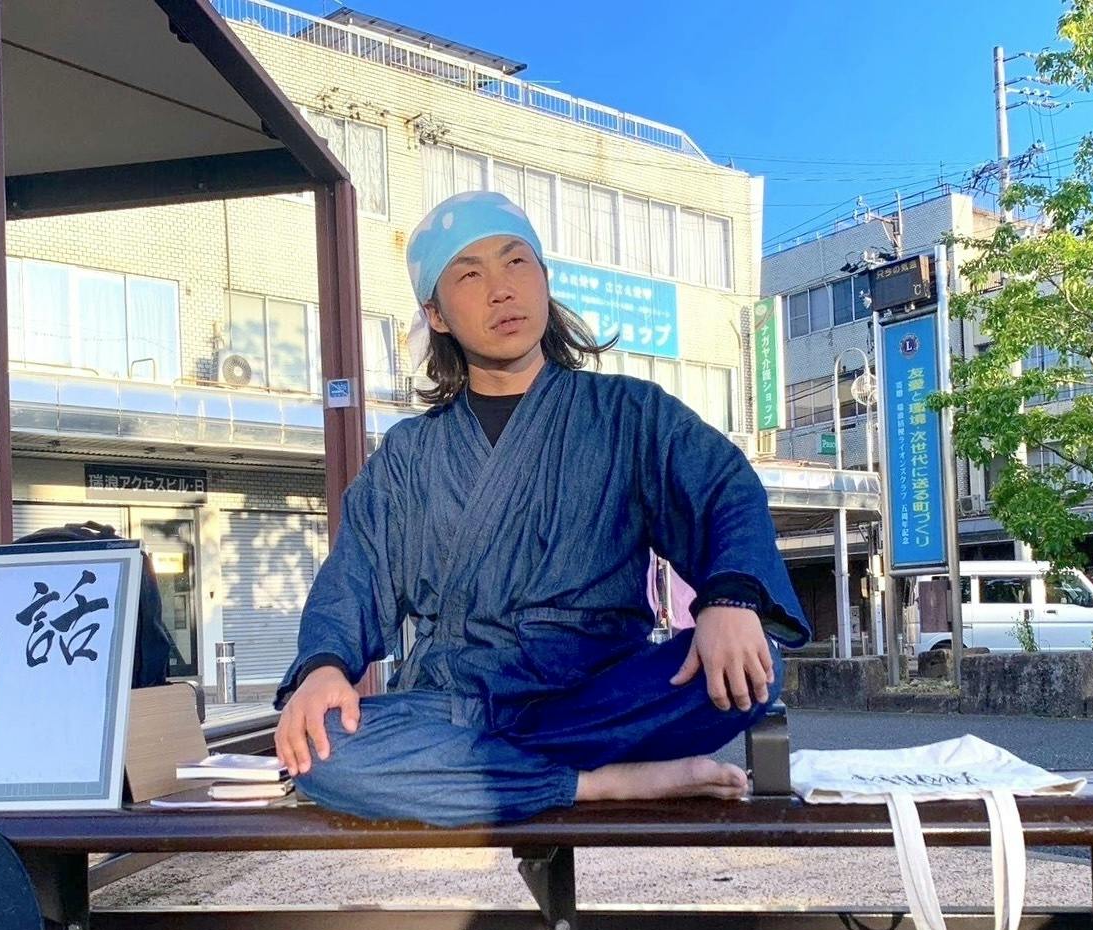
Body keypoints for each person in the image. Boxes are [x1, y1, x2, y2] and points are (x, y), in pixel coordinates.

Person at [274, 191, 810, 827]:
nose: (501, 290)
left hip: (600, 696)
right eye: (469, 275)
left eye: (516, 263)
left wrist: (730, 600)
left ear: (544, 280)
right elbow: (356, 575)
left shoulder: (628, 415)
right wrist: (323, 667)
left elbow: (723, 491)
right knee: (323, 752)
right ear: (437, 315)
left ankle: (483, 776)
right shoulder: (409, 455)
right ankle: (598, 783)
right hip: (457, 705)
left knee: (754, 664)